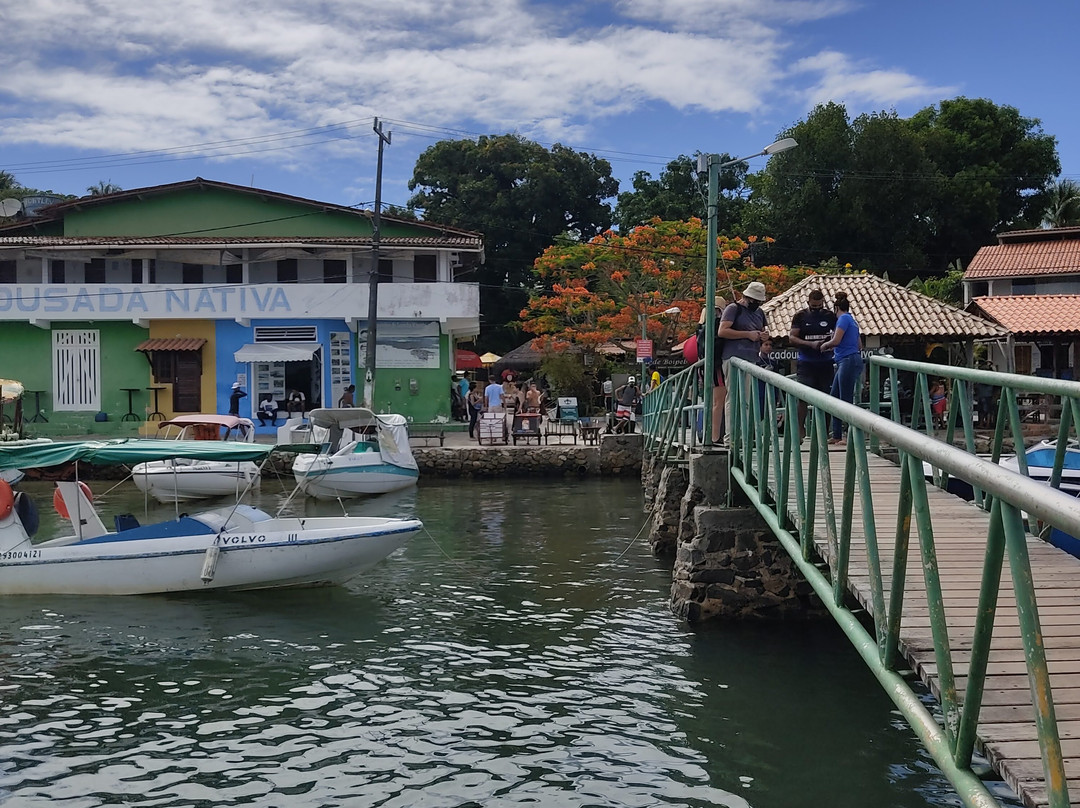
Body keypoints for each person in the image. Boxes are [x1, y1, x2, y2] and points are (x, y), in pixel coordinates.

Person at [718, 283, 769, 446]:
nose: (756, 304)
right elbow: (722, 331)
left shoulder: (759, 312)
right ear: (746, 297)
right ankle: (731, 438)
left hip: (752, 358)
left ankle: (745, 437)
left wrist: (763, 336)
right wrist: (747, 334)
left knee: (747, 399)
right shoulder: (733, 309)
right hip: (733, 358)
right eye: (754, 300)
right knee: (733, 398)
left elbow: (763, 329)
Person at [788, 288, 837, 440]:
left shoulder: (830, 316)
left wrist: (829, 344)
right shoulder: (800, 316)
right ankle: (799, 430)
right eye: (813, 306)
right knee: (802, 397)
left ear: (823, 303)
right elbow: (792, 338)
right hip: (806, 362)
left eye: (819, 306)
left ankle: (824, 432)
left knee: (827, 399)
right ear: (808, 302)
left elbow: (838, 334)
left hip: (826, 362)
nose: (816, 309)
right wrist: (810, 344)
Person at [820, 291, 863, 445]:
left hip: (847, 360)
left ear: (836, 308)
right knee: (835, 396)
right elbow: (859, 345)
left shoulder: (843, 319)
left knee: (845, 399)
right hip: (848, 358)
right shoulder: (852, 320)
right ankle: (837, 434)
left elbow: (836, 340)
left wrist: (825, 345)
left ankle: (848, 434)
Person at [699, 295, 730, 444]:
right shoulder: (715, 326)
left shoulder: (702, 327)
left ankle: (712, 434)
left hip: (708, 367)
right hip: (716, 366)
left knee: (714, 402)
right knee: (719, 402)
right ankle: (715, 436)